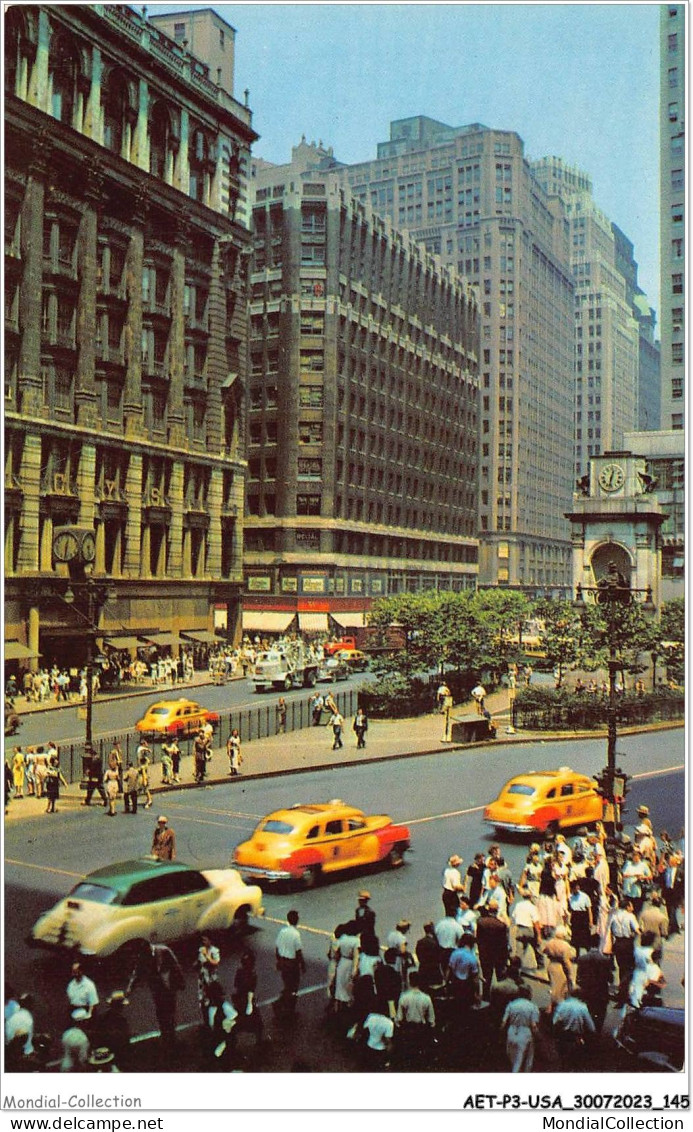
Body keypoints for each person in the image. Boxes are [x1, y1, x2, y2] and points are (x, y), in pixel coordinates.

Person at [126, 942, 185, 1043]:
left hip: (168, 986)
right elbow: (137, 973)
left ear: (150, 948)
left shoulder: (164, 951)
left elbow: (175, 966)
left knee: (170, 1011)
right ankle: (165, 1033)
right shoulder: (143, 956)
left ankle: (171, 1034)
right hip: (156, 988)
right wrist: (130, 988)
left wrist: (180, 982)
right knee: (161, 1012)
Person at [395, 971, 435, 1064]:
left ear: (409, 981)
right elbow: (431, 1019)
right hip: (421, 1029)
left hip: (408, 1029)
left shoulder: (404, 997)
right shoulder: (426, 998)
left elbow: (399, 1018)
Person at [501, 985, 540, 1073]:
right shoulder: (533, 1007)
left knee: (514, 1062)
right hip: (525, 1033)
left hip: (511, 1032)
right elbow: (534, 1025)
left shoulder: (511, 1005)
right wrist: (539, 1036)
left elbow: (503, 1023)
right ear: (529, 994)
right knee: (526, 1062)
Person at [476, 901, 509, 1000]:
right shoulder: (501, 925)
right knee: (500, 976)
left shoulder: (481, 922)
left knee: (486, 976)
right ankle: (500, 996)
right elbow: (504, 943)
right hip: (498, 955)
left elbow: (478, 938)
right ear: (497, 910)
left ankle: (485, 996)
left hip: (485, 954)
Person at [552, 988, 596, 1065]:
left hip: (562, 1036)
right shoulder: (583, 1007)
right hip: (575, 1038)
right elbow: (591, 1028)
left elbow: (554, 1021)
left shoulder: (562, 1004)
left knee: (561, 1061)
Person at [576, 944, 613, 1032]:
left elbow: (578, 976)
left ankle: (587, 1030)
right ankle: (598, 1031)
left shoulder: (582, 958)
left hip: (587, 990)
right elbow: (610, 978)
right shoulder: (605, 960)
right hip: (601, 991)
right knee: (600, 1013)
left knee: (587, 1011)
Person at [275, 910, 306, 1015]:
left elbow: (277, 948)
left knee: (287, 984)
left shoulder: (282, 931)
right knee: (293, 986)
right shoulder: (296, 934)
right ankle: (287, 1007)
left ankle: (283, 1004)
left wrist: (279, 961)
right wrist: (302, 964)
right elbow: (298, 952)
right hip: (292, 964)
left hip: (283, 962)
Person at [542, 925, 575, 1015]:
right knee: (561, 989)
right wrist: (570, 973)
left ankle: (551, 1006)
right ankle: (558, 1011)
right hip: (560, 967)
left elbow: (544, 951)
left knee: (554, 987)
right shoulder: (565, 945)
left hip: (551, 965)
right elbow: (566, 961)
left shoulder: (550, 942)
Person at [196, 933, 221, 1023]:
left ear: (210, 941)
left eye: (205, 940)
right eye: (203, 940)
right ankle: (206, 1021)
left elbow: (215, 963)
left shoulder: (215, 951)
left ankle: (215, 1021)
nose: (203, 942)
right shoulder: (201, 950)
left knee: (212, 1001)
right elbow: (199, 962)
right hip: (202, 980)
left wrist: (206, 956)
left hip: (211, 980)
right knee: (203, 1001)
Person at [414, 923, 443, 993]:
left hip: (423, 969)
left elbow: (418, 954)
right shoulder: (435, 943)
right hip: (433, 970)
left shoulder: (420, 942)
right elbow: (439, 956)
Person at [137, 743, 153, 808]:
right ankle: (133, 799)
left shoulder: (143, 767)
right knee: (139, 789)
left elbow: (143, 774)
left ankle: (149, 800)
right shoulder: (146, 763)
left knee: (145, 790)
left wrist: (144, 781)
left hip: (143, 778)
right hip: (144, 777)